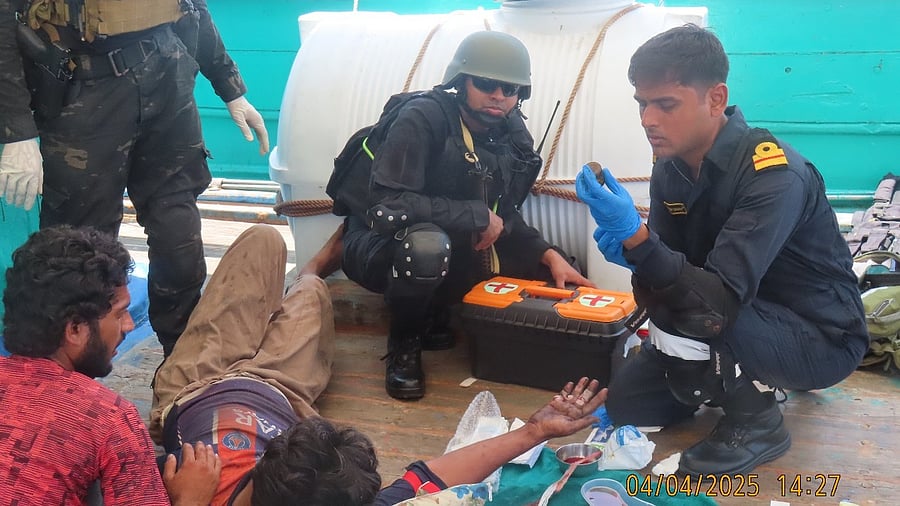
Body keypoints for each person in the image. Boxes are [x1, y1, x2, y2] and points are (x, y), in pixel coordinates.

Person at [575, 24, 868, 476]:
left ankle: (759, 422)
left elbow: (713, 303)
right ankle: (716, 380)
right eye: (642, 103)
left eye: (665, 104)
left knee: (699, 311)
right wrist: (635, 252)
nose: (647, 119)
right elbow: (670, 278)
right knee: (631, 404)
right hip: (732, 314)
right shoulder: (670, 170)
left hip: (820, 338)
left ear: (715, 99)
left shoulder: (773, 174)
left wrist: (639, 239)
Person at [149, 223, 606, 504]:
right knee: (311, 290)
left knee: (263, 240)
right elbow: (431, 474)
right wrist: (534, 431)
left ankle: (301, 279)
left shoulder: (187, 490)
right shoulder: (336, 498)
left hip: (197, 386)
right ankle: (308, 277)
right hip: (282, 388)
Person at [0, 0, 269, 357]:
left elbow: (190, 5)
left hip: (167, 78)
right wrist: (16, 131)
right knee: (79, 252)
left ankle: (183, 369)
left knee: (179, 235)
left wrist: (229, 86)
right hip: (82, 88)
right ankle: (69, 387)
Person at [340, 30, 592, 400]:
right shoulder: (422, 118)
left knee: (543, 269)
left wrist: (547, 253)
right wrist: (474, 214)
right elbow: (388, 207)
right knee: (425, 246)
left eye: (510, 88)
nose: (498, 95)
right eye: (486, 83)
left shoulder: (508, 134)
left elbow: (503, 215)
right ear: (461, 81)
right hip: (380, 245)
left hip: (452, 240)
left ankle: (438, 310)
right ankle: (405, 341)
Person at [0, 225, 221, 505]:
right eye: (120, 314)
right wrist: (192, 498)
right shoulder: (108, 417)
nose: (129, 325)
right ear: (76, 329)